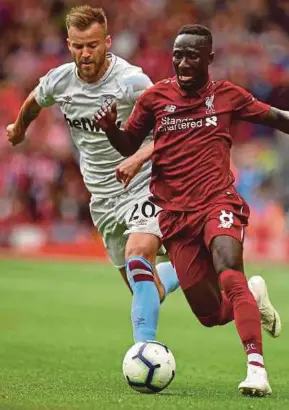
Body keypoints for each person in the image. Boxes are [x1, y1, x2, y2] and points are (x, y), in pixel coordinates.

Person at [94, 24, 284, 396]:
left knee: (230, 273)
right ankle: (254, 295)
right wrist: (110, 130)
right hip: (175, 217)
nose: (182, 62)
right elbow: (129, 142)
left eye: (192, 55)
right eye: (178, 54)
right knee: (212, 315)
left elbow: (274, 117)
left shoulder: (227, 96)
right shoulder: (155, 98)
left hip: (218, 202)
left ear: (209, 59)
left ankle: (256, 369)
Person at [6, 5, 179, 345]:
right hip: (101, 198)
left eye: (93, 45)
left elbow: (168, 128)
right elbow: (35, 100)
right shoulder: (60, 80)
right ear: (69, 44)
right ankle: (188, 270)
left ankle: (145, 352)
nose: (85, 53)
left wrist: (138, 158)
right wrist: (19, 129)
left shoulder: (132, 82)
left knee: (138, 256)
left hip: (143, 185)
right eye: (78, 46)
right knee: (146, 288)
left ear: (108, 42)